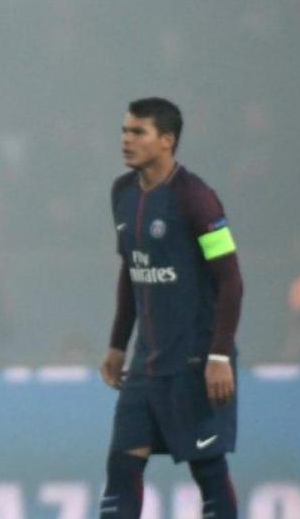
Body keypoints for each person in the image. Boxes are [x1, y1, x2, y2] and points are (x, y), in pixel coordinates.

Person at [99, 98, 244, 518]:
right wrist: (116, 345)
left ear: (167, 141)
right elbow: (132, 269)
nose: (126, 140)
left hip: (195, 360)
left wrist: (219, 355)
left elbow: (231, 279)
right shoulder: (122, 194)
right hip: (146, 364)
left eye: (137, 132)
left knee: (208, 470)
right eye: (124, 131)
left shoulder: (198, 200)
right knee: (122, 467)